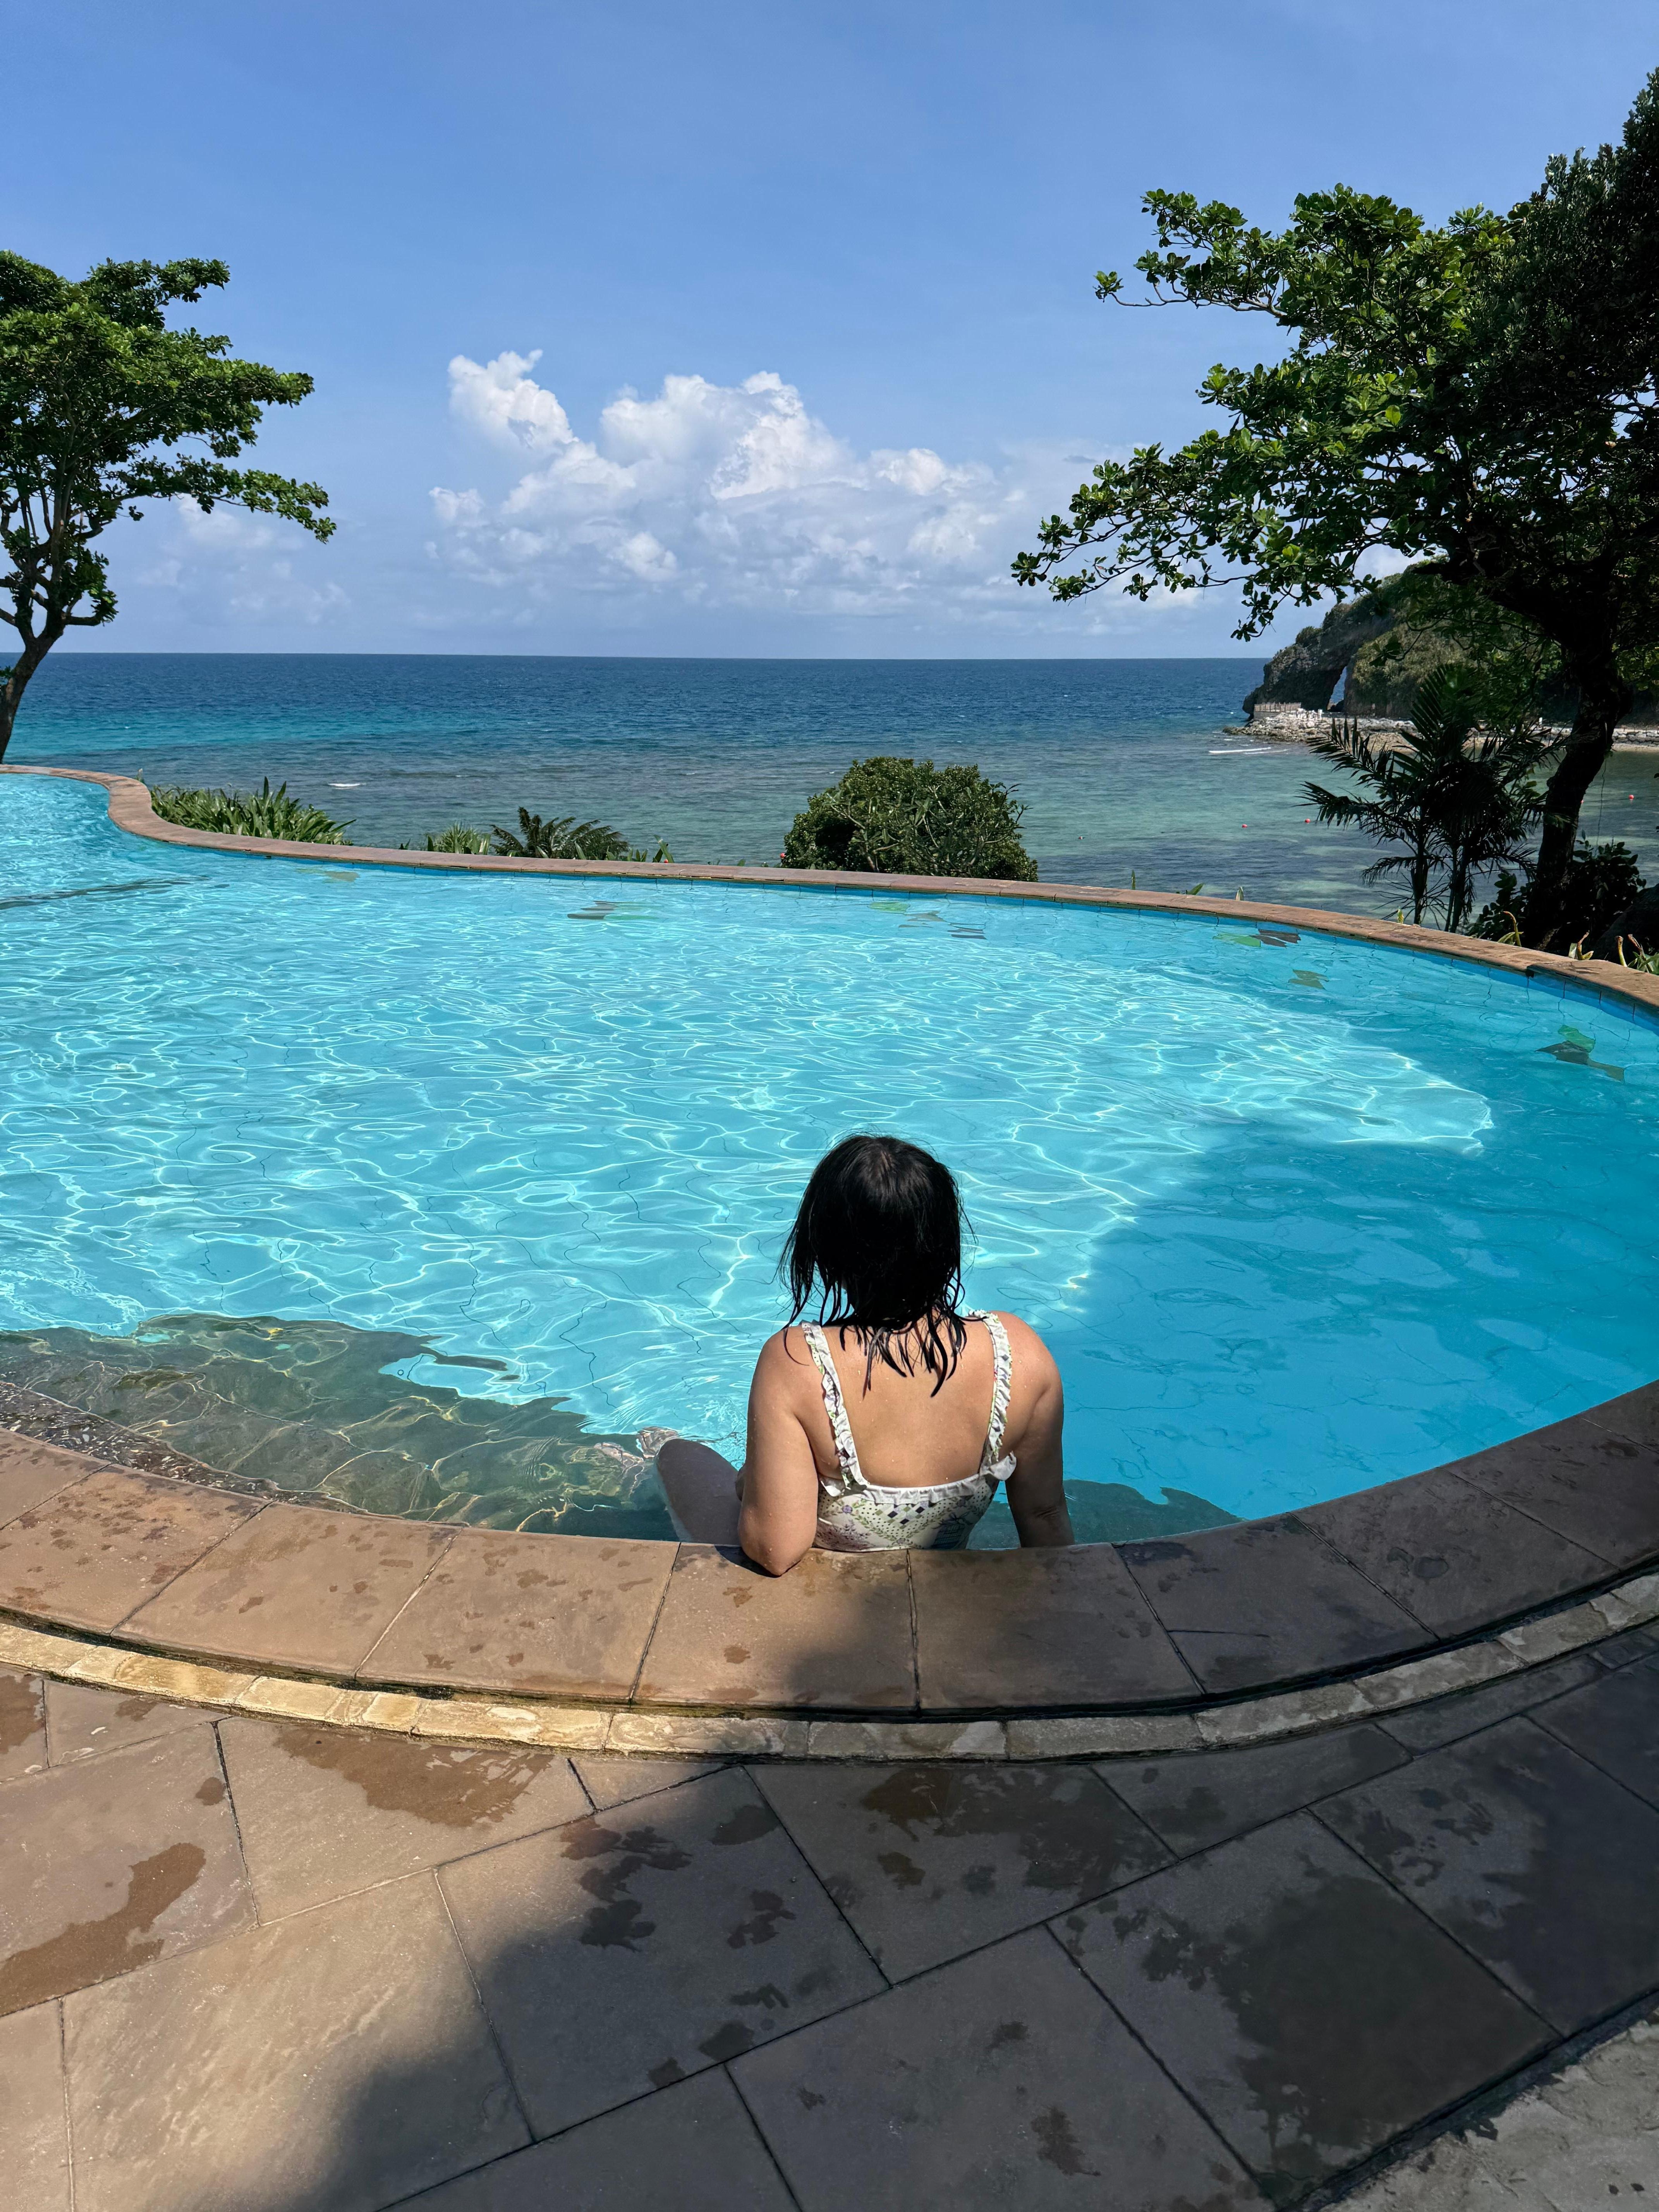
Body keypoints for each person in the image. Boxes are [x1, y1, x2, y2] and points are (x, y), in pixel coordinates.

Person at [655, 1133, 1071, 1573]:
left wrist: (751, 1488)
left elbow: (776, 1550)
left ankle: (642, 1467)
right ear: (946, 1242)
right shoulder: (1018, 1352)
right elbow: (1044, 1516)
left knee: (678, 1454)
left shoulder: (797, 1362)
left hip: (830, 1587)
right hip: (940, 1577)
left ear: (826, 1251)